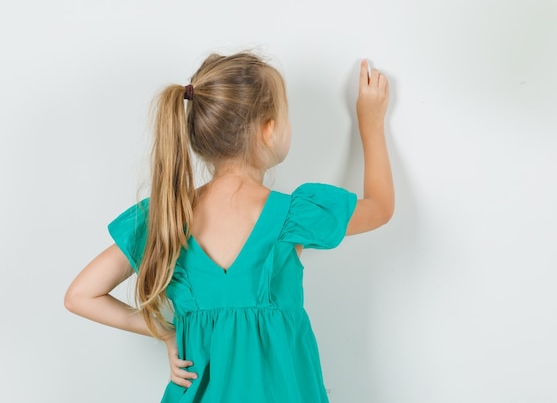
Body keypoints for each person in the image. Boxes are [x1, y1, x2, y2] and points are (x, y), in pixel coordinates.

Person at [64, 52, 393, 403]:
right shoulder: (292, 215)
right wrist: (370, 123)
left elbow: (80, 296)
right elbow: (380, 208)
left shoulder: (167, 217)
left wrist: (166, 332)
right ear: (269, 130)